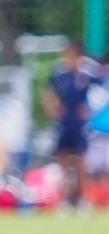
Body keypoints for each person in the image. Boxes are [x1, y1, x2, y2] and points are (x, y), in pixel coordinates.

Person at [41, 40, 96, 206]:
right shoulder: (60, 76)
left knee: (80, 161)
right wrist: (53, 108)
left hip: (79, 125)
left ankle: (82, 198)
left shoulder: (86, 76)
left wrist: (89, 111)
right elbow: (47, 92)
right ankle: (64, 199)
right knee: (62, 161)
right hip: (64, 123)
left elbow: (99, 93)